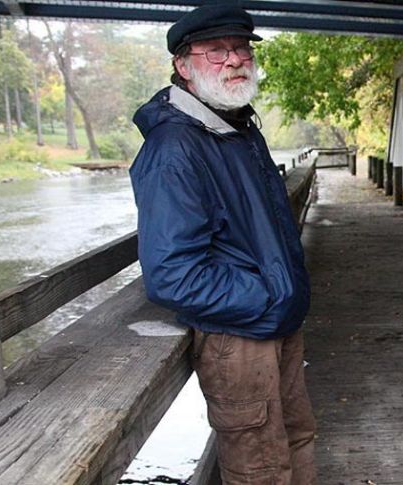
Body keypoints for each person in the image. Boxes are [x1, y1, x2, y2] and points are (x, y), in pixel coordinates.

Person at [128, 4, 316, 484]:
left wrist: (281, 298)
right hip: (240, 336)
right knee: (260, 467)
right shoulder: (174, 149)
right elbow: (172, 274)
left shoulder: (236, 126)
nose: (234, 59)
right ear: (183, 66)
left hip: (277, 320)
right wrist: (269, 295)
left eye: (240, 48)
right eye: (216, 51)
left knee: (297, 439)